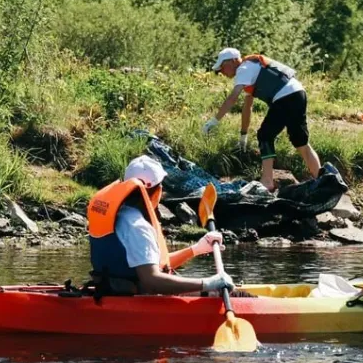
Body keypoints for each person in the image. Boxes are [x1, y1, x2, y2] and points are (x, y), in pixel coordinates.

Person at [86, 155, 235, 296]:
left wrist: (196, 249)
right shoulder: (138, 226)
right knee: (239, 296)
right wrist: (207, 283)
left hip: (113, 292)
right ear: (157, 191)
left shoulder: (122, 216)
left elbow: (153, 264)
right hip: (139, 303)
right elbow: (152, 282)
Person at [203, 48, 322, 192]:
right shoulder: (251, 69)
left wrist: (213, 122)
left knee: (265, 135)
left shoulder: (244, 69)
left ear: (234, 61)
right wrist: (243, 135)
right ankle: (321, 179)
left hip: (285, 97)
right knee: (301, 142)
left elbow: (232, 98)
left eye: (222, 67)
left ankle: (267, 181)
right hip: (298, 94)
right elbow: (247, 107)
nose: (221, 71)